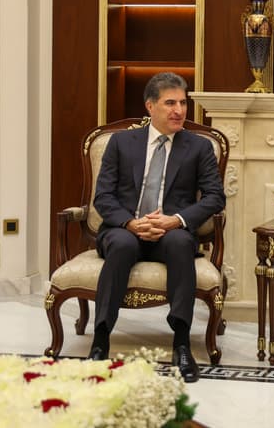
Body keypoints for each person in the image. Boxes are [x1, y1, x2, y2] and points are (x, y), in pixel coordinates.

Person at [89, 72, 226, 383]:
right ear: (150, 106)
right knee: (122, 244)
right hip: (125, 227)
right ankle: (100, 340)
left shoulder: (199, 147)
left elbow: (215, 197)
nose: (179, 110)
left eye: (183, 103)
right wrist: (131, 223)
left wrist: (175, 220)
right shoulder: (121, 143)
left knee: (180, 243)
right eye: (170, 103)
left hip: (170, 230)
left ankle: (181, 343)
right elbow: (103, 196)